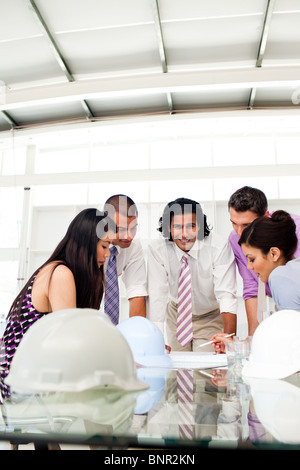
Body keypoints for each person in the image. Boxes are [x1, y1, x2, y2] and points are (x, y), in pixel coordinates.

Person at [0, 208, 115, 398]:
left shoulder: (62, 271)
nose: (108, 254)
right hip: (21, 383)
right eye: (104, 246)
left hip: (31, 375)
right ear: (87, 243)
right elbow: (70, 343)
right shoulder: (60, 273)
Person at [147, 197, 237, 352]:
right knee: (177, 368)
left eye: (191, 226)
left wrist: (228, 339)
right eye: (177, 226)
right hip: (176, 315)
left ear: (200, 226)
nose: (184, 234)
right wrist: (157, 339)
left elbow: (226, 294)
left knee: (205, 370)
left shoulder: (218, 246)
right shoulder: (157, 249)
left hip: (209, 316)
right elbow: (157, 296)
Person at [212, 210, 299, 353]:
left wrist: (237, 348)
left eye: (252, 259)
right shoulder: (294, 269)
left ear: (274, 254)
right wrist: (235, 344)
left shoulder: (280, 277)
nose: (249, 266)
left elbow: (290, 347)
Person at [228, 186, 300, 335]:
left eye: (246, 225)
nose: (240, 233)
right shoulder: (235, 240)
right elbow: (251, 287)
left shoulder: (281, 276)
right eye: (234, 223)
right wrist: (252, 342)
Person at [103, 194, 147, 323]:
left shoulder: (134, 245)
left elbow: (137, 290)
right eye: (121, 229)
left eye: (133, 228)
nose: (128, 237)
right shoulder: (89, 242)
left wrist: (136, 335)